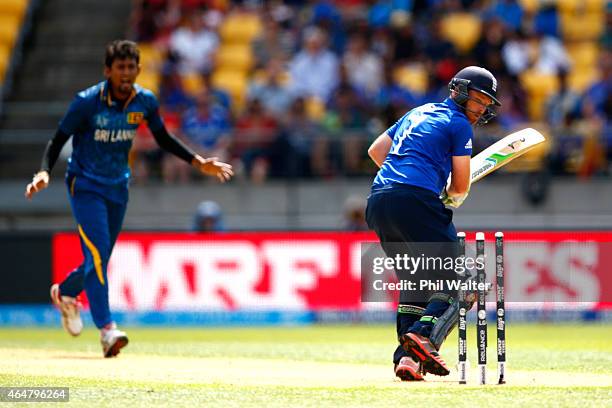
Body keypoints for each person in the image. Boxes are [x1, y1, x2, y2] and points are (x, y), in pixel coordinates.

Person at [24, 40, 233, 358]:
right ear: (108, 71)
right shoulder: (87, 102)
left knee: (101, 257)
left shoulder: (145, 101)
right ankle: (107, 330)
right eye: (119, 68)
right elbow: (58, 139)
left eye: (130, 67)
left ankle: (65, 291)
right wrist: (43, 172)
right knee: (96, 257)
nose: (125, 73)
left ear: (138, 69)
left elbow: (163, 137)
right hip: (86, 185)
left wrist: (197, 161)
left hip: (118, 187)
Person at [365, 66, 500, 381]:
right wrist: (448, 196)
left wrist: (412, 180)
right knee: (466, 281)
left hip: (379, 201)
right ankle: (426, 336)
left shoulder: (418, 112)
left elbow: (376, 151)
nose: (480, 109)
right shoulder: (458, 125)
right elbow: (461, 186)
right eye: (478, 99)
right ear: (460, 91)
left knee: (417, 282)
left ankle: (407, 361)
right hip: (416, 202)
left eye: (486, 103)